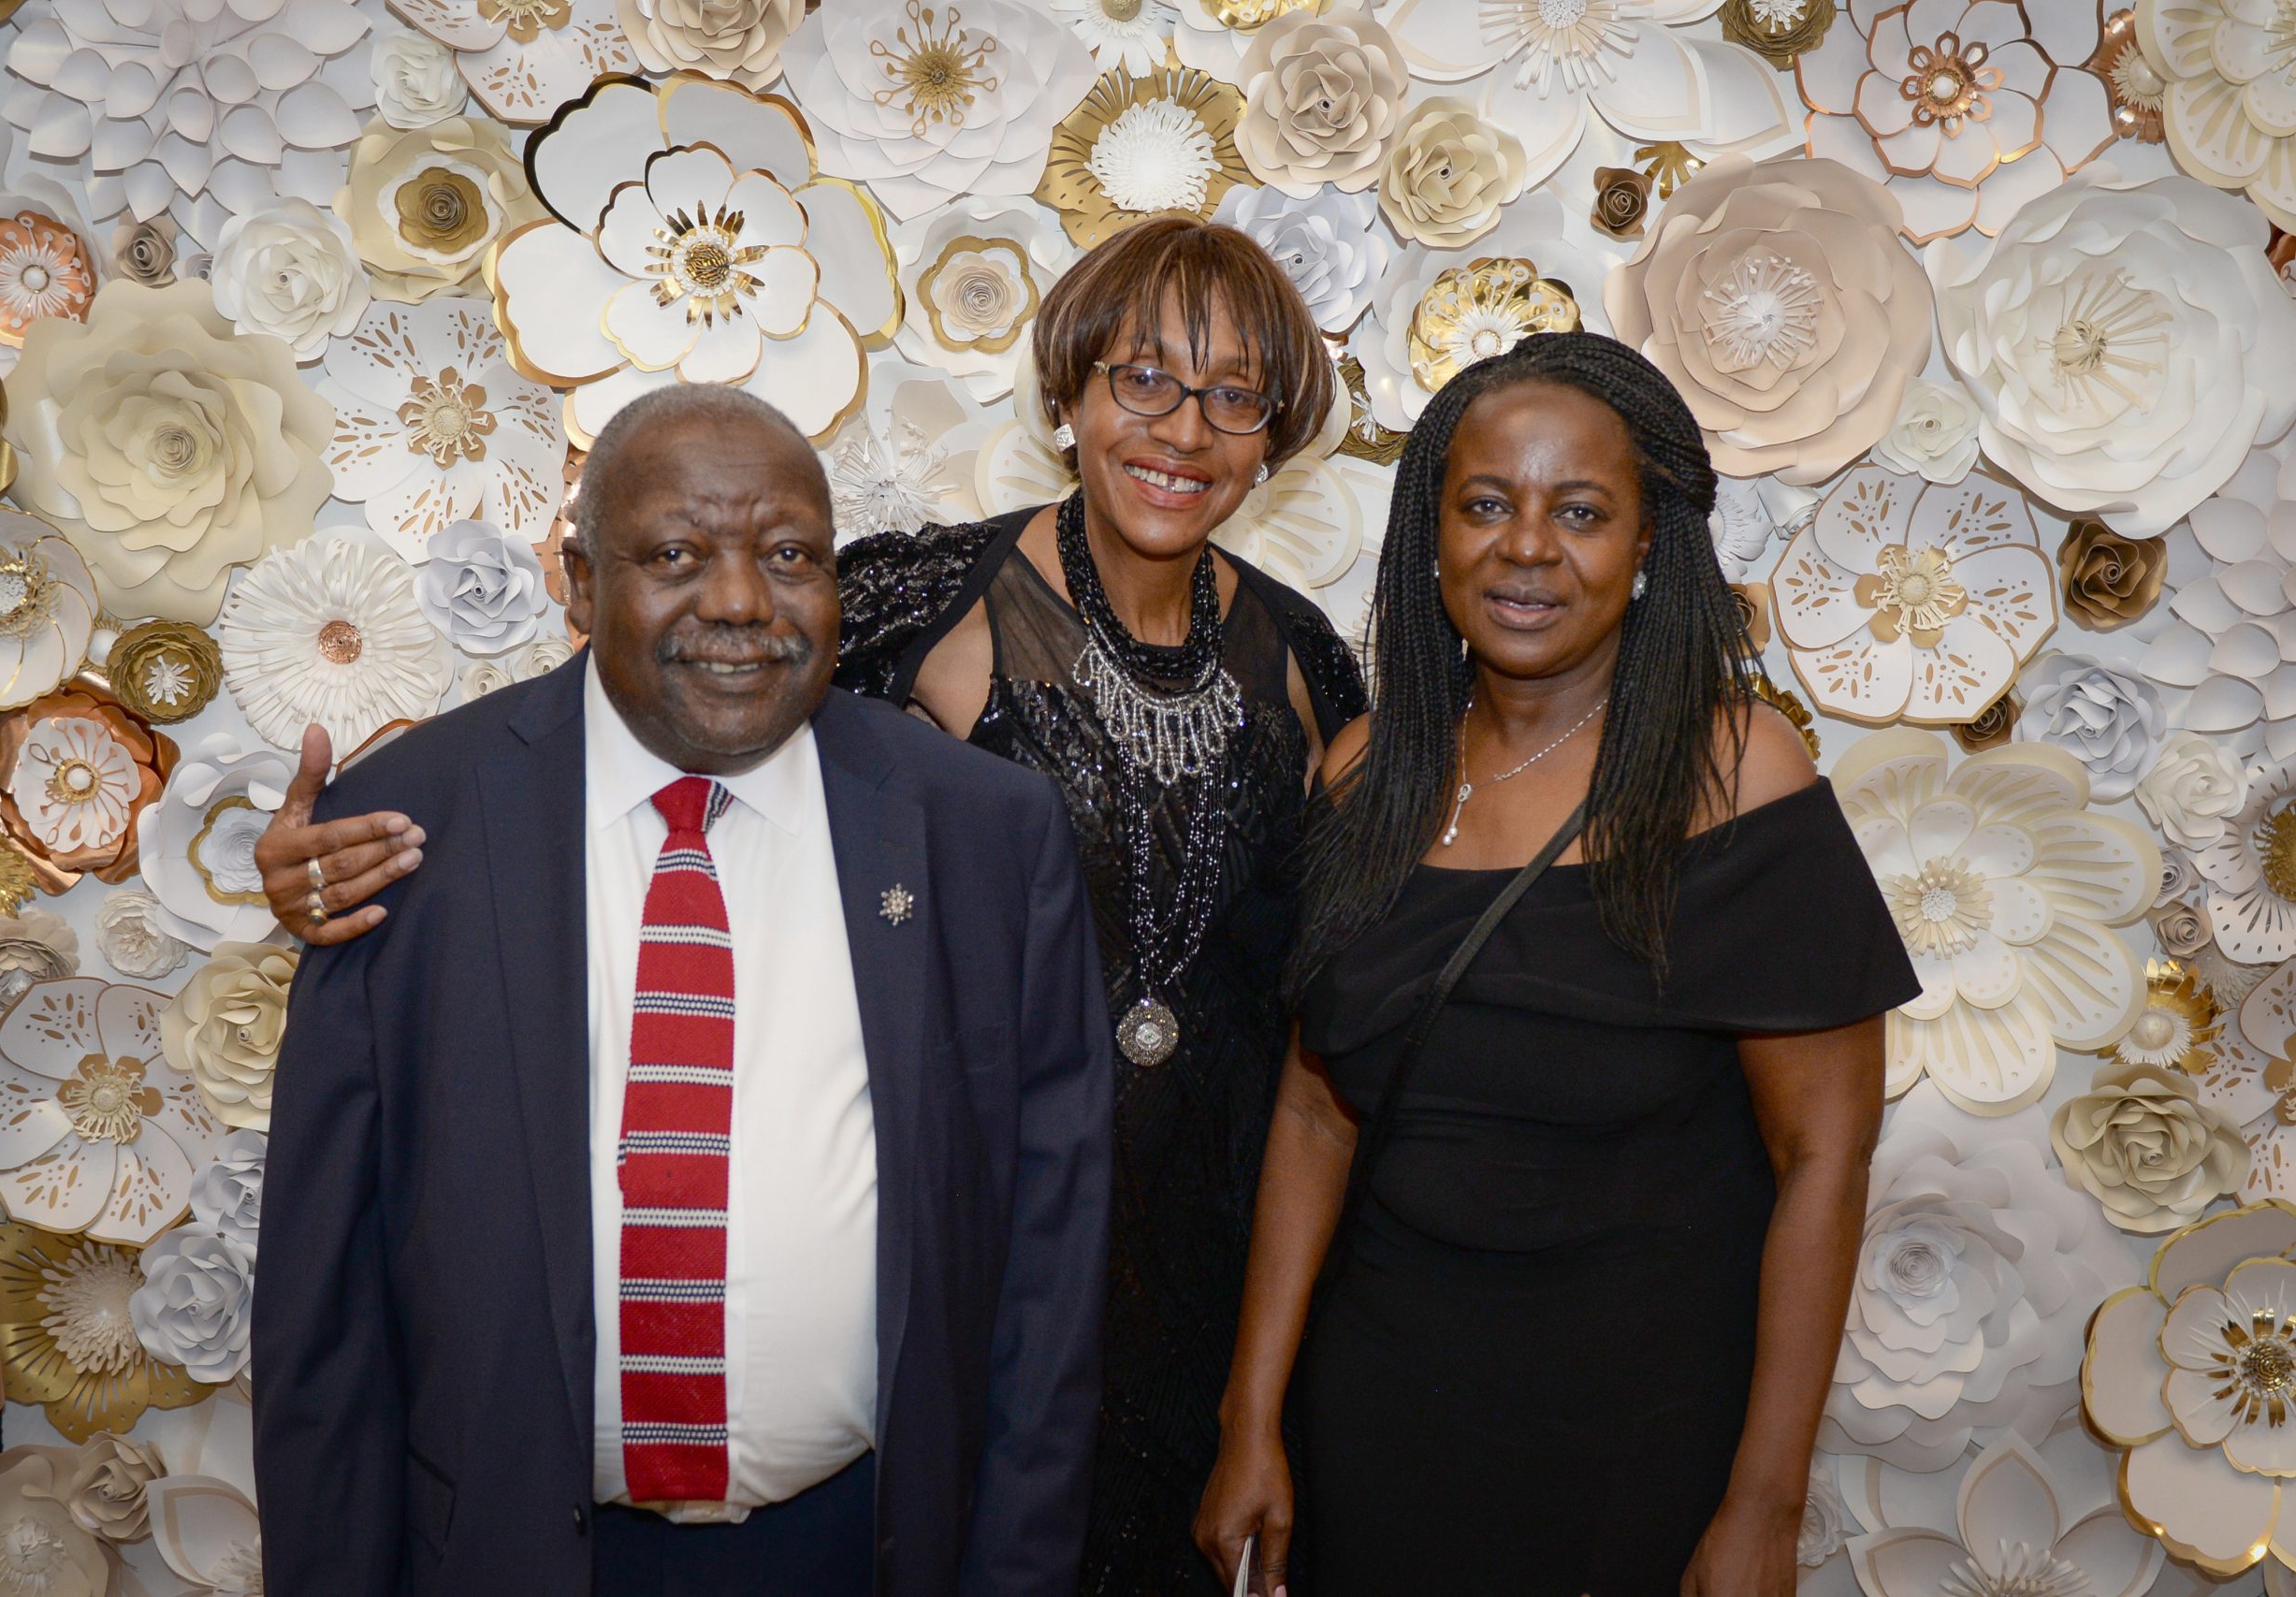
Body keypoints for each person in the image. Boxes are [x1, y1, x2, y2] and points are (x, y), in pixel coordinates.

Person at [257, 216, 1366, 1595]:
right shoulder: (914, 613)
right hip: (542, 1526)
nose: (744, 601)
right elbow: (327, 1309)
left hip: (1143, 1271)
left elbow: (1347, 953)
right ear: (1070, 392)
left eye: (1234, 394)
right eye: (1143, 377)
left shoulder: (1299, 662)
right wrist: (322, 860)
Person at [252, 385, 1115, 1597]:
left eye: (790, 555)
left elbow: (1050, 1270)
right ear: (578, 581)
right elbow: (324, 1308)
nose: (741, 602)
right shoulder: (403, 831)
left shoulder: (981, 834)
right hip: (513, 1557)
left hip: (867, 1549)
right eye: (674, 556)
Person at [1194, 333, 1919, 1596]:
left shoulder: (1731, 776)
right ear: (1434, 534)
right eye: (1486, 505)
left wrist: (1764, 1506)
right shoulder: (1364, 772)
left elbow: (1825, 1157)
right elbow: (1314, 1113)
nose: (1526, 548)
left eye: (1580, 512)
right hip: (1377, 1419)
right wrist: (1250, 1419)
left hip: (1634, 1443)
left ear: (1646, 545)